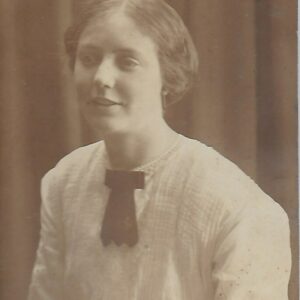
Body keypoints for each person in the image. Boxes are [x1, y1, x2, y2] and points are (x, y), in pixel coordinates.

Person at [28, 0, 291, 299]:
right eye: (88, 58)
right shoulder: (63, 182)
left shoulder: (236, 206)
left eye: (127, 62)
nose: (101, 78)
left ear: (168, 75)